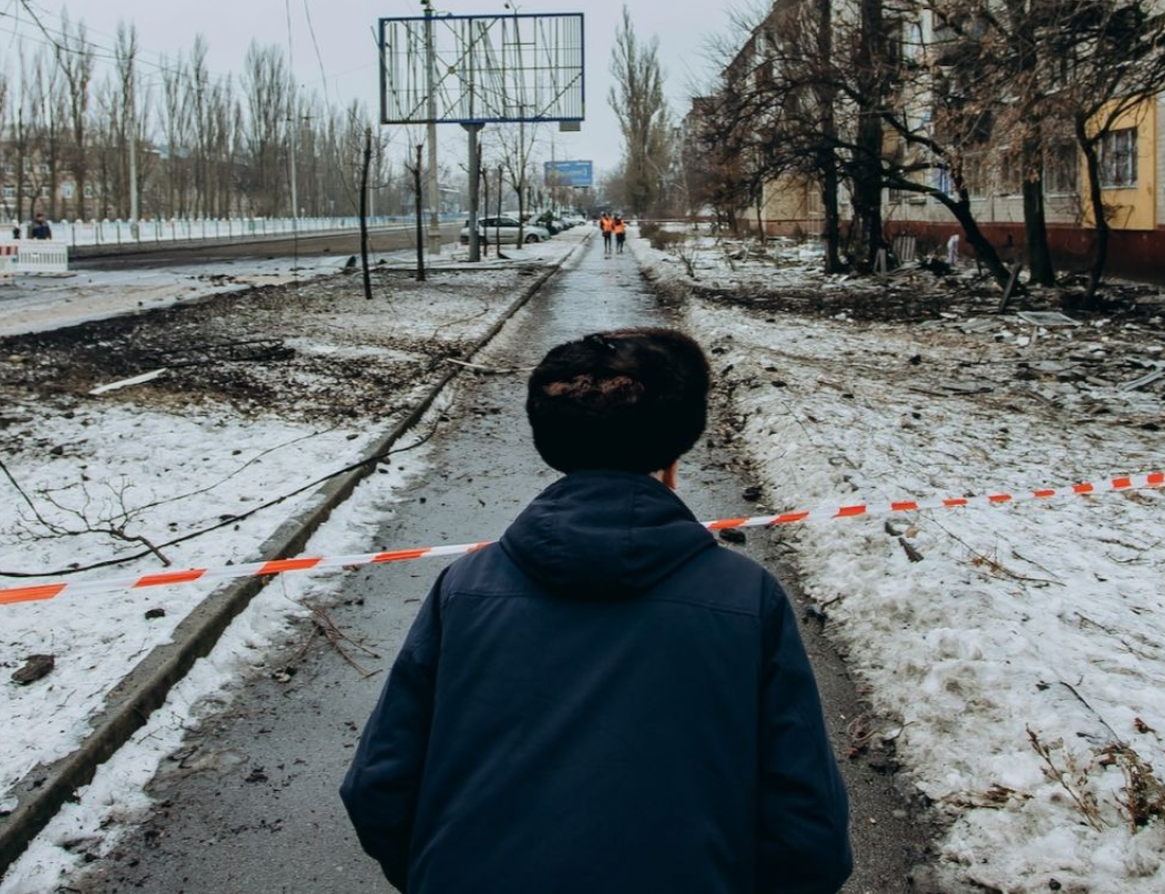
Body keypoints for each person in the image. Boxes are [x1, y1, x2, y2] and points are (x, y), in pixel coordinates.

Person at [340, 328, 853, 894]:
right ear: (675, 456)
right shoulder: (746, 598)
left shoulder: (463, 589)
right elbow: (809, 829)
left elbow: (378, 786)